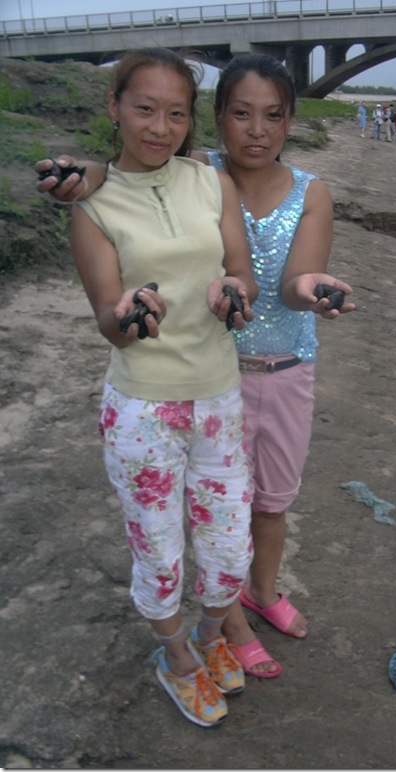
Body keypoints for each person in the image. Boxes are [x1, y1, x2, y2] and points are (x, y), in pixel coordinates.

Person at [37, 53, 355, 681]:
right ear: (217, 121)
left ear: (290, 122)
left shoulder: (265, 187)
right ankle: (204, 640)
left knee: (253, 517)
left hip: (257, 377)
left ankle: (245, 607)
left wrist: (285, 286)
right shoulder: (153, 186)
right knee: (183, 531)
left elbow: (273, 280)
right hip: (183, 387)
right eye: (240, 114)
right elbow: (127, 181)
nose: (256, 130)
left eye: (272, 117)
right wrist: (90, 180)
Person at [63, 47, 260, 729]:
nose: (159, 126)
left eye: (175, 113)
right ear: (116, 107)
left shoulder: (213, 183)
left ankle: (212, 637)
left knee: (230, 543)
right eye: (144, 108)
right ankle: (176, 657)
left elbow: (244, 272)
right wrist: (131, 317)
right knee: (159, 548)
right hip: (144, 406)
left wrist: (233, 291)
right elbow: (108, 323)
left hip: (219, 397)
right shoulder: (91, 203)